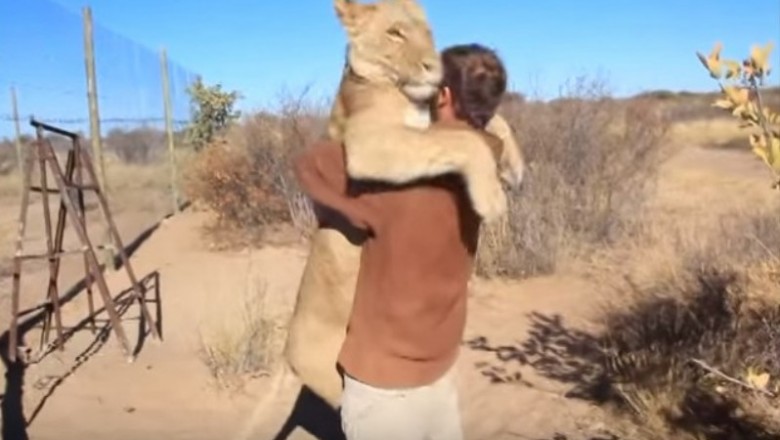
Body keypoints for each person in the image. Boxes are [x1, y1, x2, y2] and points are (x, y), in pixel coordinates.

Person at [293, 43, 509, 440]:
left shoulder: (395, 179)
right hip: (439, 369)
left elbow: (311, 164)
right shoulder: (489, 159)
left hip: (383, 384)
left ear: (442, 95)